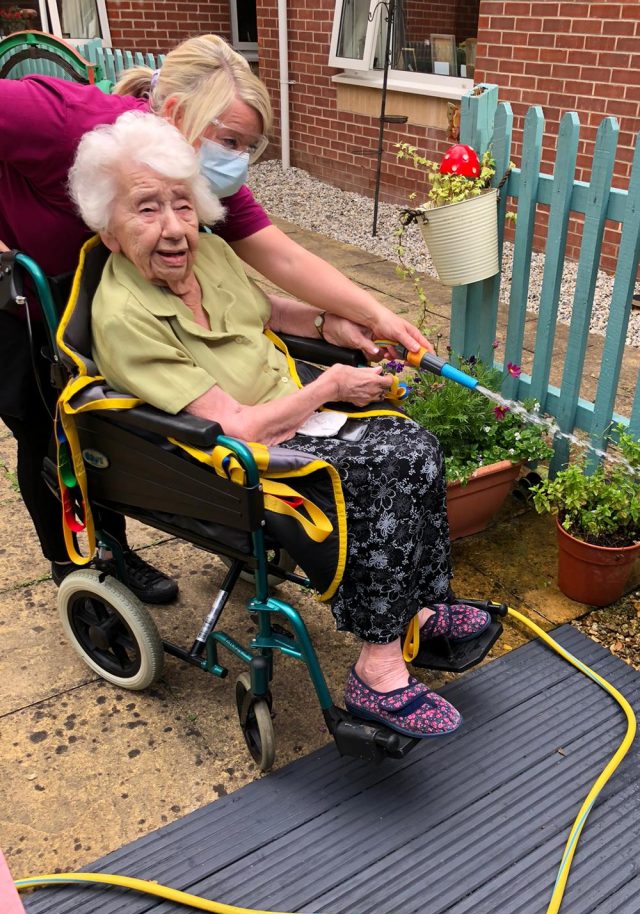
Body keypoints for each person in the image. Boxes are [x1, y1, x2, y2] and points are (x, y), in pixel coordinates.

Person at [67, 111, 492, 740]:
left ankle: (422, 612)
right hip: (234, 456)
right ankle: (376, 670)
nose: (174, 227)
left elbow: (265, 311)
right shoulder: (125, 317)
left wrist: (330, 325)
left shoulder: (209, 252)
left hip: (296, 413)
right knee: (378, 479)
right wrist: (331, 385)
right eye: (147, 209)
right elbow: (238, 426)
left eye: (182, 204)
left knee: (417, 445)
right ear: (108, 229)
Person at [0, 34, 426, 604]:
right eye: (230, 141)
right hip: (24, 297)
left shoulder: (189, 183)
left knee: (121, 430)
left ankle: (209, 530)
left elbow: (283, 259)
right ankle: (84, 558)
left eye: (248, 147)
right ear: (177, 115)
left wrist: (373, 316)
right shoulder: (63, 121)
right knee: (48, 432)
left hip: (130, 282)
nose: (238, 161)